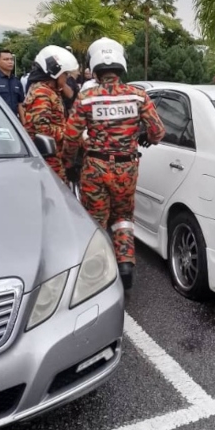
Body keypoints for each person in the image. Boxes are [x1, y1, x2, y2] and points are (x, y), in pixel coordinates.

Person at [61, 38, 166, 291]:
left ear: (95, 67)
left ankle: (95, 274)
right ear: (122, 65)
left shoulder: (86, 98)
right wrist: (144, 137)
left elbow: (71, 136)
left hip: (94, 168)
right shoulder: (138, 96)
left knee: (95, 220)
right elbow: (158, 132)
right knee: (123, 217)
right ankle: (126, 265)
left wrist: (68, 164)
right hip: (127, 169)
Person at [18, 45, 80, 179]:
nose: (66, 78)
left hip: (54, 153)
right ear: (54, 74)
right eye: (65, 74)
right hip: (48, 158)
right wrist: (71, 134)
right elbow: (42, 130)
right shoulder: (42, 93)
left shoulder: (50, 91)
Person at [0, 49, 24, 115]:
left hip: (13, 121)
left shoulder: (17, 82)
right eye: (6, 59)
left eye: (11, 59)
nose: (10, 62)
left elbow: (20, 104)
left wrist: (24, 123)